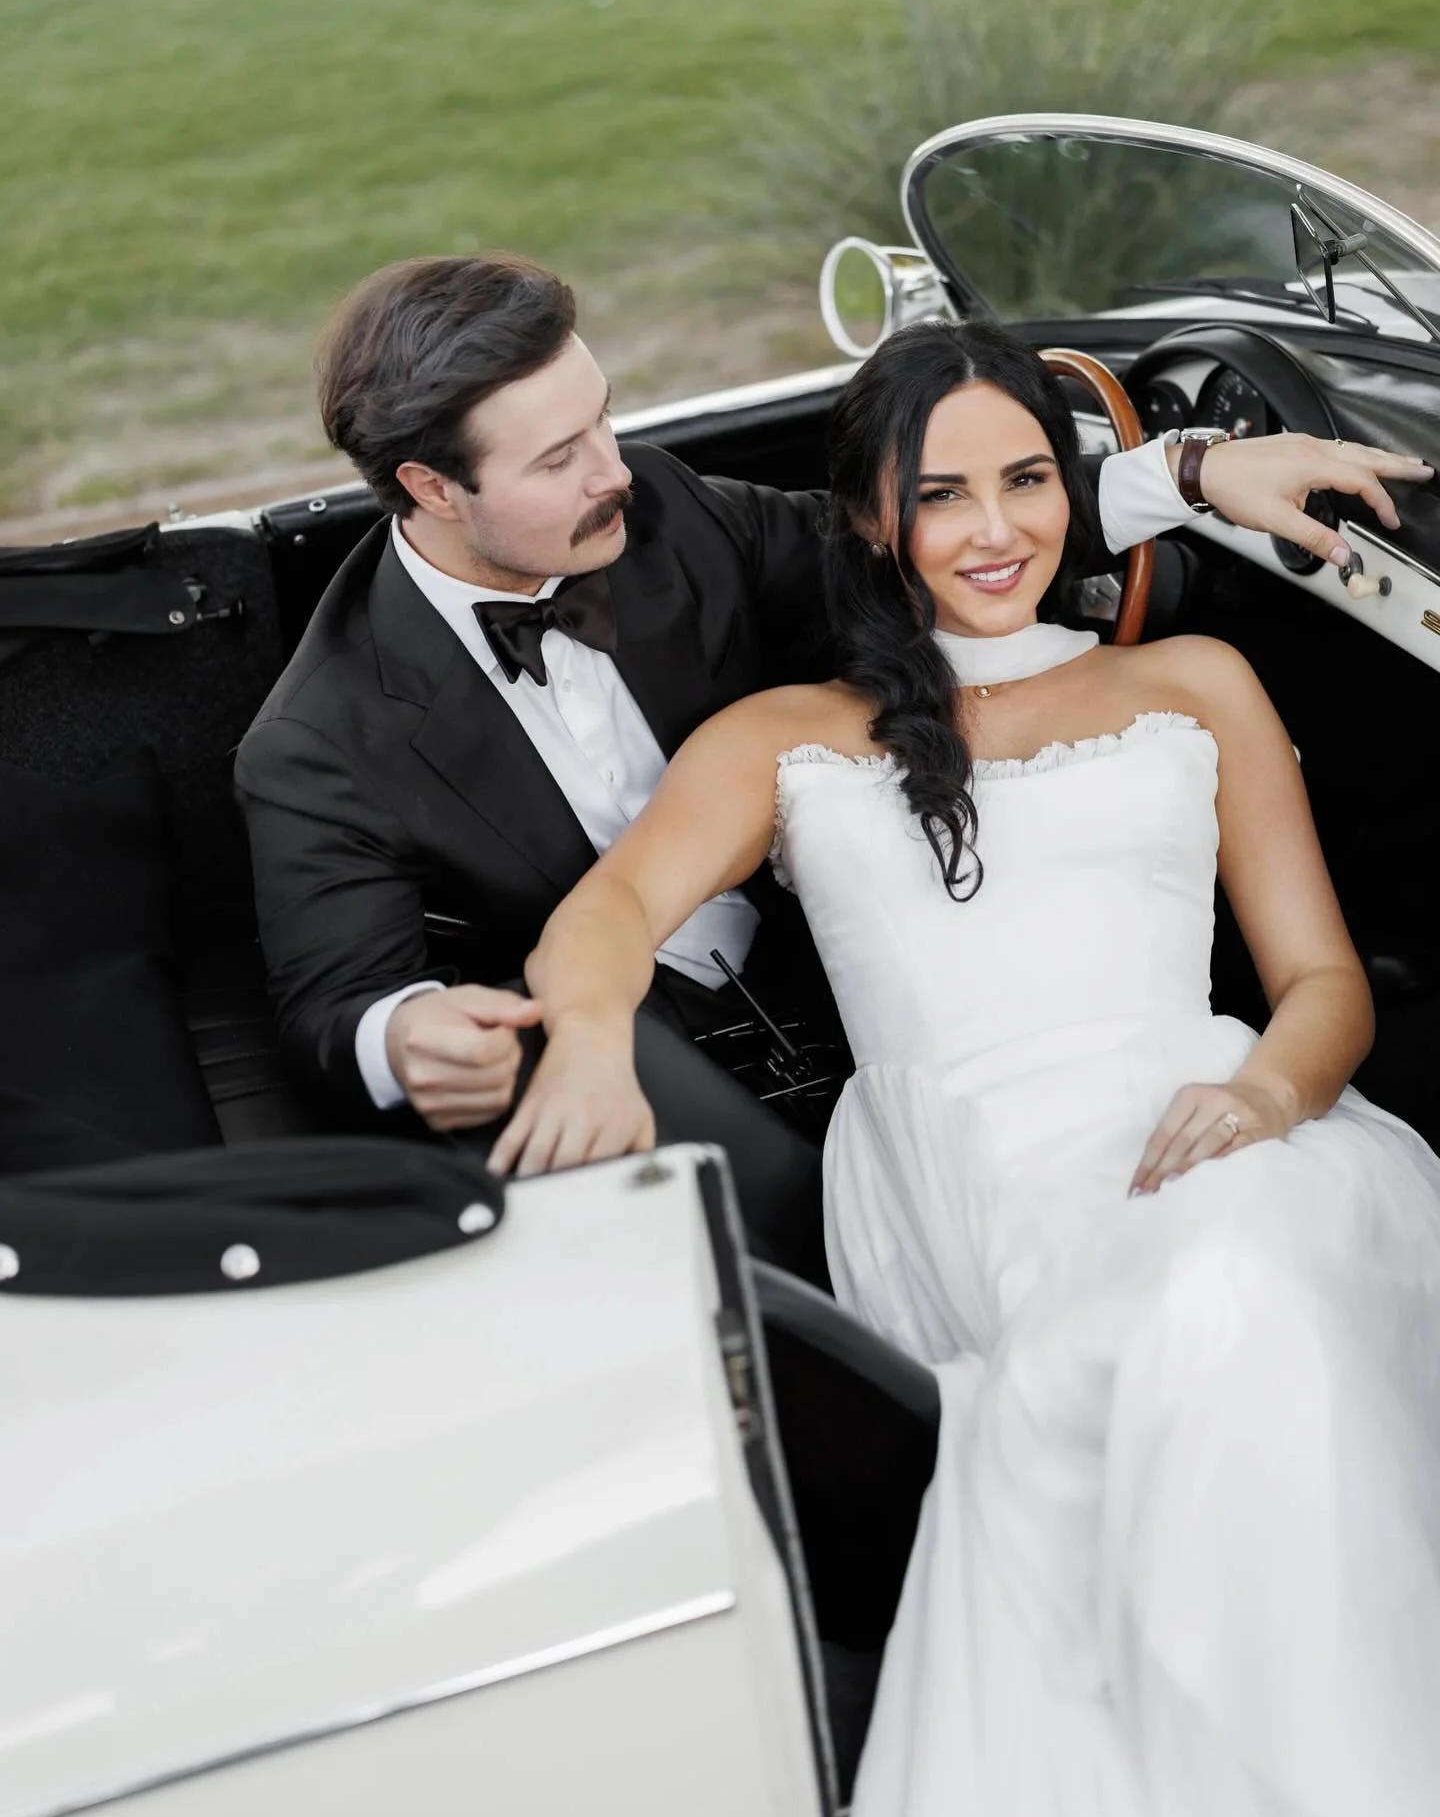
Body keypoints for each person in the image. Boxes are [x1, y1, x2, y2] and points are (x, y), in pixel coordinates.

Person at [489, 316, 1440, 1817]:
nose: (994, 532)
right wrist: (590, 1039)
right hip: (968, 1173)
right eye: (942, 496)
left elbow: (1322, 987)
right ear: (874, 515)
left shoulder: (1195, 680)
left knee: (1238, 1297)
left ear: (1073, 492)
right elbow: (601, 922)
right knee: (1152, 1354)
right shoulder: (782, 740)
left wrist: (1266, 1100)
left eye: (1026, 483)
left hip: (1216, 1123)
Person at [236, 250, 1410, 1271]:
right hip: (643, 1049)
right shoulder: (318, 741)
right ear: (432, 489)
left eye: (604, 416)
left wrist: (1192, 474)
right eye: (560, 458)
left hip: (857, 980)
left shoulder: (665, 517)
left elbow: (932, 530)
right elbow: (334, 1000)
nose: (616, 469)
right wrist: (410, 1036)